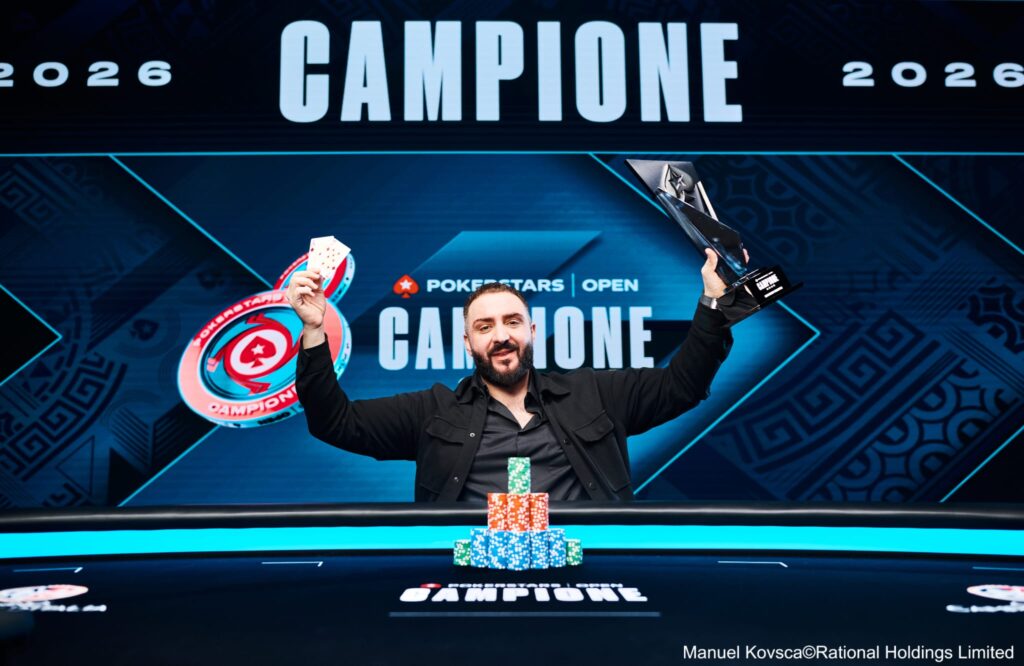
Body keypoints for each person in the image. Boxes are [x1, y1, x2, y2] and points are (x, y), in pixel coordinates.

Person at [289, 249, 734, 502]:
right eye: (485, 327)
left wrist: (714, 304)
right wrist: (313, 329)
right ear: (468, 343)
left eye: (513, 322)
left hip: (590, 566)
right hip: (464, 576)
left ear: (532, 332)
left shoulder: (597, 392)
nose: (501, 336)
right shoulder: (432, 411)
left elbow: (683, 385)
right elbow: (334, 422)